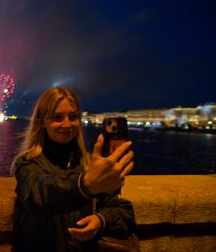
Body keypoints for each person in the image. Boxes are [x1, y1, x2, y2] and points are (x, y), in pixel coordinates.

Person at [11, 87, 136, 252]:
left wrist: (101, 220)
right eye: (57, 117)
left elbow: (124, 212)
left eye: (73, 116)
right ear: (42, 123)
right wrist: (85, 185)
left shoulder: (90, 164)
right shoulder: (27, 164)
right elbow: (39, 194)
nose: (67, 124)